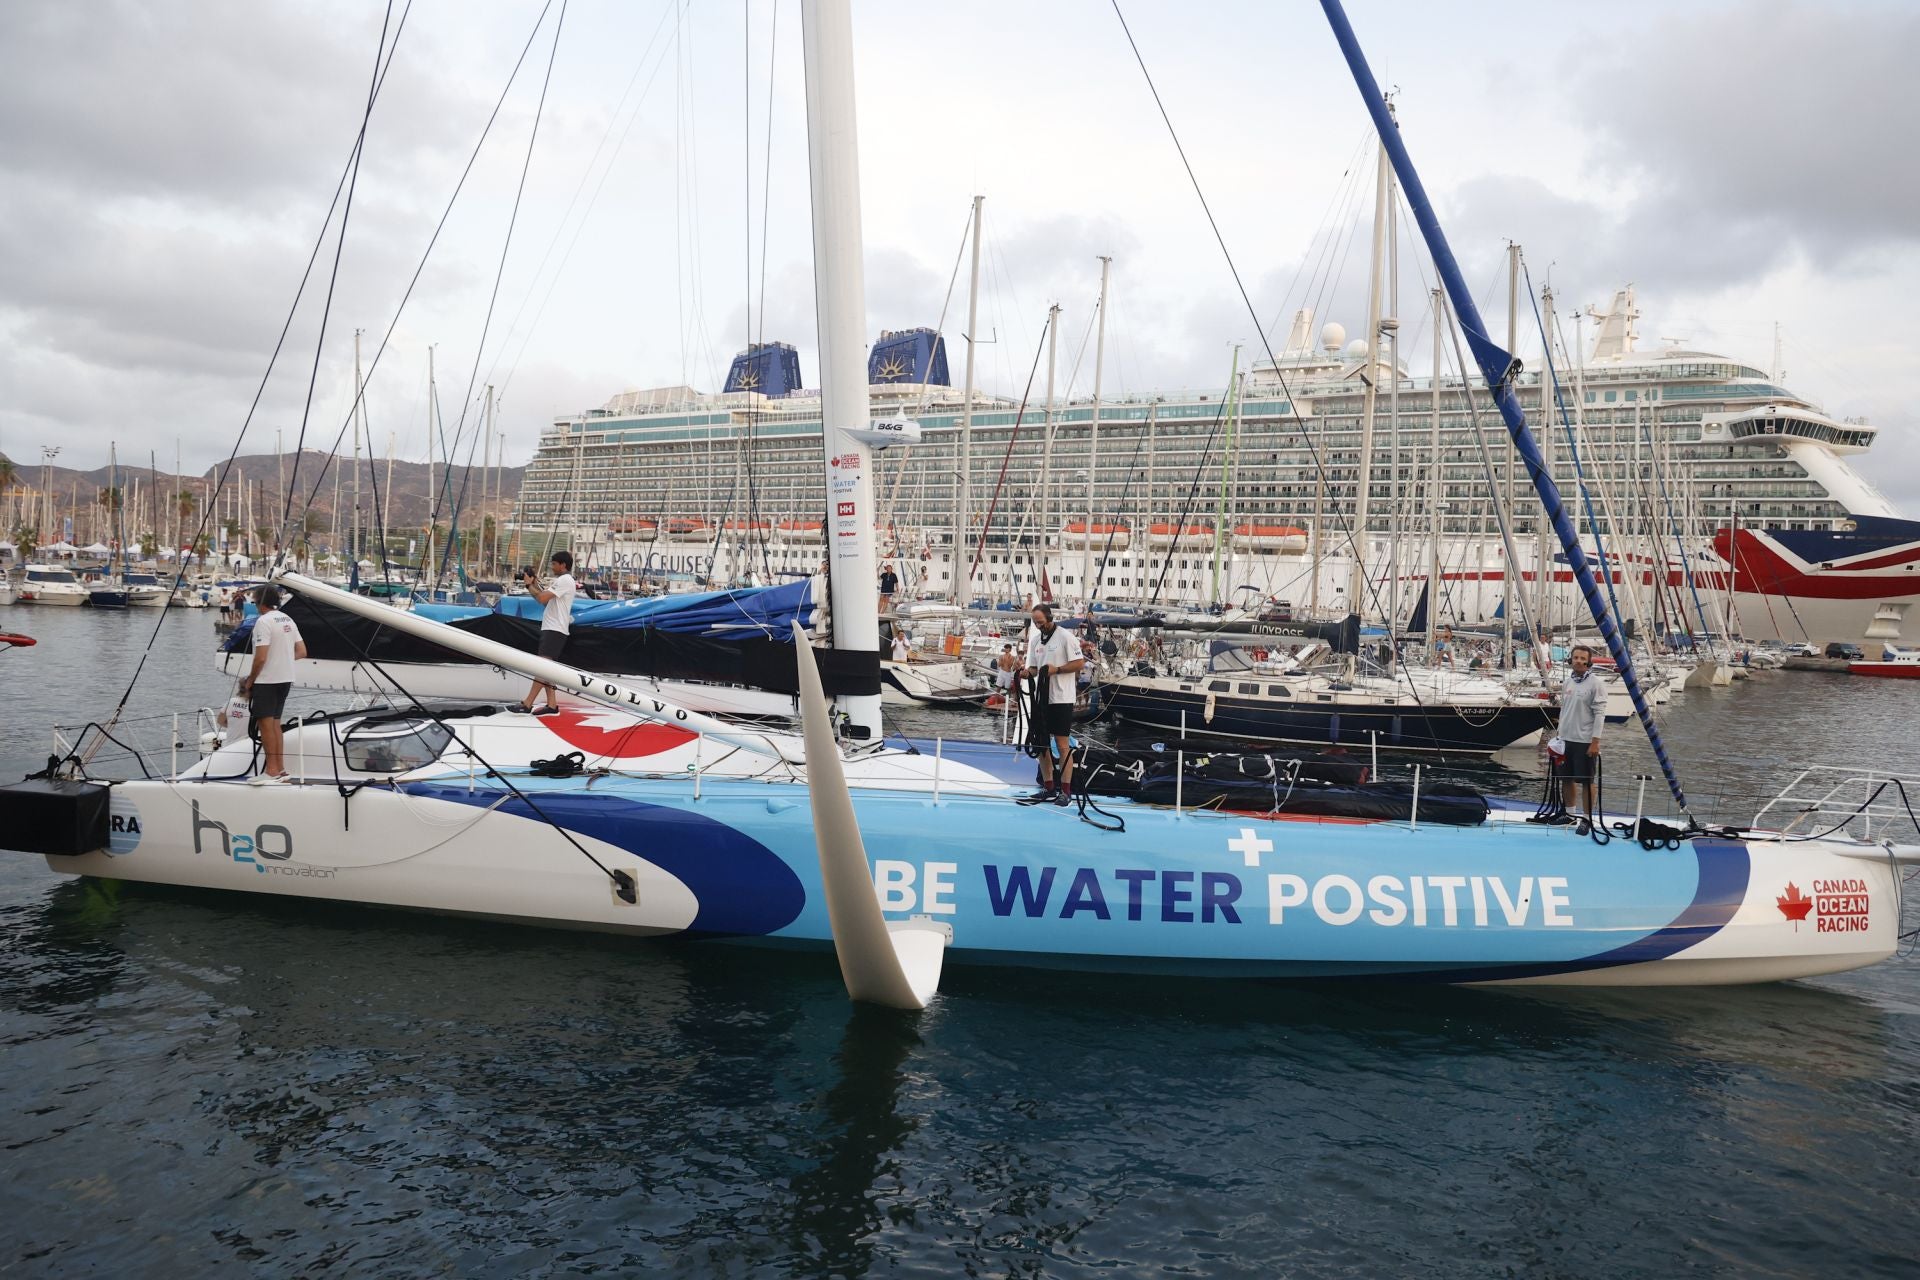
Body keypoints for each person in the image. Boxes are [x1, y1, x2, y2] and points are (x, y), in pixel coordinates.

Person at [241, 585, 307, 785]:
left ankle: (271, 771)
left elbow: (260, 658)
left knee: (265, 724)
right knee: (276, 724)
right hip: (286, 678)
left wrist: (250, 681)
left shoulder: (264, 622)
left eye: (254, 602)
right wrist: (283, 660)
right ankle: (280, 770)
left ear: (261, 602)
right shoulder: (287, 619)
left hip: (267, 680)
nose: (254, 606)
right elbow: (302, 651)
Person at [1020, 602, 1084, 805]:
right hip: (1042, 698)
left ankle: (1065, 791)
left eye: (1041, 622)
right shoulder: (1036, 641)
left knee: (1062, 744)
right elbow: (1034, 668)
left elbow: (1079, 663)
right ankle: (1048, 787)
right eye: (1036, 623)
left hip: (1061, 698)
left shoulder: (1065, 637)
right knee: (1041, 744)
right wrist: (1025, 672)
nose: (1039, 626)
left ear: (1049, 618)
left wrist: (1057, 669)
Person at [516, 551, 575, 715]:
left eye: (554, 564)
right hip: (553, 628)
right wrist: (534, 584)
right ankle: (552, 705)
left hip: (555, 629)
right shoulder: (562, 581)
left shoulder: (565, 580)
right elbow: (544, 600)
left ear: (563, 565)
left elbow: (541, 598)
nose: (552, 567)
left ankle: (527, 704)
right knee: (547, 669)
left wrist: (529, 585)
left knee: (542, 668)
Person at [1555, 643, 1608, 823]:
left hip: (1584, 740)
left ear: (1588, 663)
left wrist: (1595, 741)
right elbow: (1564, 709)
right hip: (1565, 740)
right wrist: (1558, 736)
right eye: (1576, 658)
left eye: (1582, 659)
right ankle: (1569, 815)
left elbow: (1600, 714)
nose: (1578, 661)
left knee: (1587, 781)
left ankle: (1587, 819)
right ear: (1571, 660)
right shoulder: (1568, 682)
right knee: (1566, 779)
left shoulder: (1595, 684)